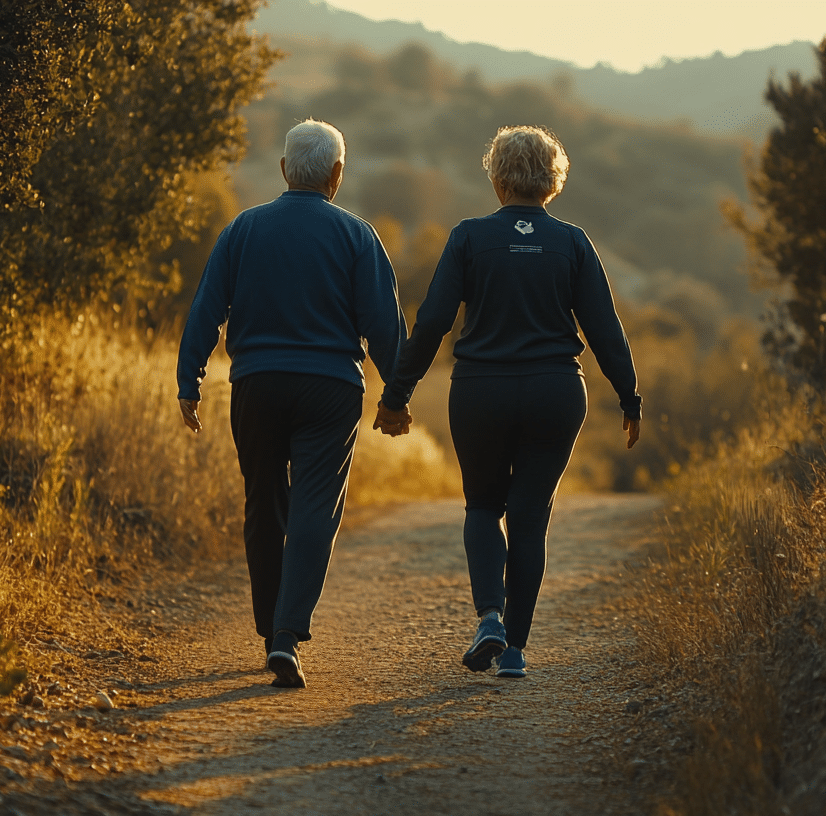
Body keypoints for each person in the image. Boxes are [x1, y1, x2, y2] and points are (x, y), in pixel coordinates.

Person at [375, 125, 642, 679]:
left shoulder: (469, 238)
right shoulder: (573, 242)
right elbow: (605, 330)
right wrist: (629, 398)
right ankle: (515, 652)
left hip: (481, 392)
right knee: (528, 517)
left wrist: (397, 394)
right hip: (555, 393)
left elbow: (432, 323)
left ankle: (490, 618)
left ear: (497, 180)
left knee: (481, 507)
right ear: (552, 181)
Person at [177, 119, 409, 689]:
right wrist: (397, 396)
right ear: (337, 174)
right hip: (330, 389)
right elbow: (384, 325)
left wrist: (189, 382)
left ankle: (267, 630)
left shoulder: (242, 230)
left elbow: (206, 309)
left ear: (283, 170)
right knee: (314, 506)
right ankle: (287, 635)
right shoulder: (357, 236)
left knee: (264, 501)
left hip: (255, 384)